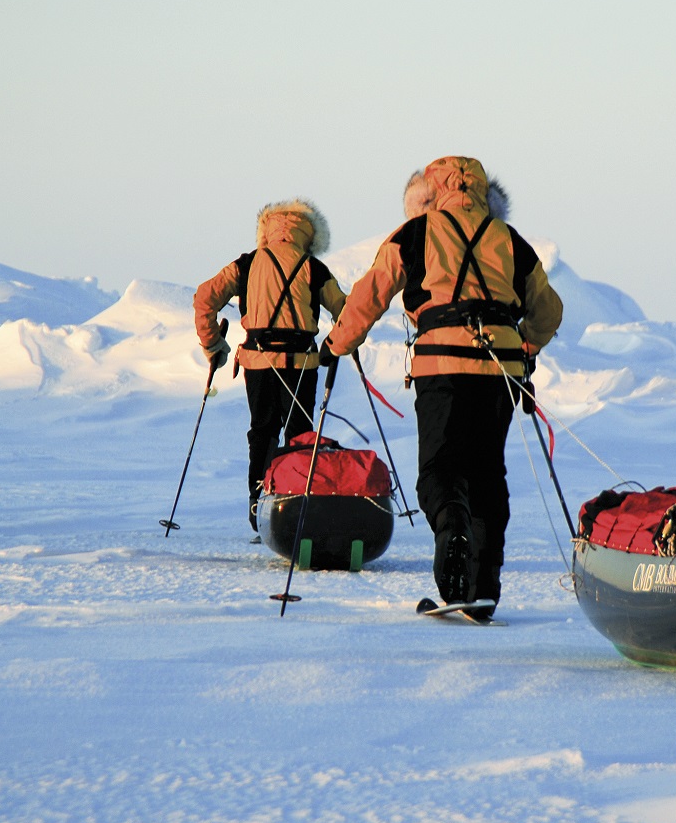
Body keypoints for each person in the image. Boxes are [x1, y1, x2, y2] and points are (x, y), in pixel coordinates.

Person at [321, 156, 562, 617]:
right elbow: (549, 311)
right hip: (501, 370)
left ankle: (450, 535)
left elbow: (370, 294)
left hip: (442, 366)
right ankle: (481, 589)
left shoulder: (415, 233)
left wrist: (337, 343)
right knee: (488, 474)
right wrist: (526, 344)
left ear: (433, 192)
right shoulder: (509, 240)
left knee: (439, 469)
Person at [194, 198, 347, 533]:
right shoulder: (313, 267)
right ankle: (295, 506)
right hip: (302, 365)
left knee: (262, 431)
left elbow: (204, 297)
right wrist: (335, 345)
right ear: (308, 234)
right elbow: (345, 311)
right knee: (299, 437)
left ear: (266, 231)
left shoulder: (246, 264)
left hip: (258, 362)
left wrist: (213, 345)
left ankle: (258, 505)